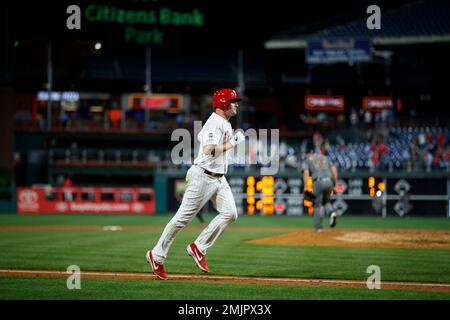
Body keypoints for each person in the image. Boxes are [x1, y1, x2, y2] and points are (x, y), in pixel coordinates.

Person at [146, 88, 245, 280]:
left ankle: (199, 246)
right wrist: (232, 142)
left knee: (230, 213)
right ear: (223, 103)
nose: (236, 104)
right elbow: (208, 150)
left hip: (219, 178)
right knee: (182, 219)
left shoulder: (224, 122)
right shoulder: (214, 122)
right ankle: (156, 255)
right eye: (233, 101)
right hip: (203, 176)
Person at [302, 141, 338, 232]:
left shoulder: (308, 160)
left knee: (317, 205)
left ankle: (318, 227)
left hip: (318, 182)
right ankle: (331, 212)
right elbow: (334, 169)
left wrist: (306, 186)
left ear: (307, 153)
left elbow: (306, 173)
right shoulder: (325, 157)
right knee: (326, 201)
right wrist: (334, 184)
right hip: (329, 181)